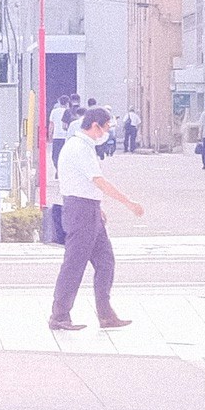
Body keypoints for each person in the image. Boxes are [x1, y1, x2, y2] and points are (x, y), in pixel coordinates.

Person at [49, 106, 140, 335]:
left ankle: (106, 313)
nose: (107, 132)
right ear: (95, 125)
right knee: (74, 264)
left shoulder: (84, 146)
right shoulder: (79, 147)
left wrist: (97, 207)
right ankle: (59, 315)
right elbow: (98, 181)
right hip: (80, 211)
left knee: (106, 261)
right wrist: (128, 202)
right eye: (106, 127)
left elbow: (88, 184)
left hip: (89, 209)